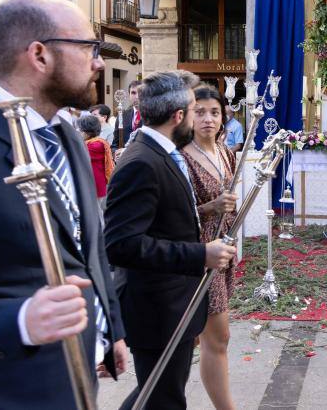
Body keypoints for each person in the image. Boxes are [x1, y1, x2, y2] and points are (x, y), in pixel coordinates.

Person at [0, 0, 127, 408]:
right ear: (39, 54)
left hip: (76, 380)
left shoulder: (67, 133)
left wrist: (110, 330)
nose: (99, 62)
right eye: (89, 47)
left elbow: (88, 247)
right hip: (3, 391)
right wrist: (19, 321)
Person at [105, 71, 236, 410]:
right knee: (164, 399)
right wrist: (199, 254)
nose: (199, 119)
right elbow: (121, 244)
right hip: (155, 305)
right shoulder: (141, 162)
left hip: (173, 301)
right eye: (195, 111)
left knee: (156, 392)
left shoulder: (161, 151)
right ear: (179, 116)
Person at [181, 86, 239, 410]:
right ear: (188, 115)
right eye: (199, 112)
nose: (207, 119)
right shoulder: (182, 155)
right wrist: (211, 206)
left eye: (214, 112)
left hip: (224, 249)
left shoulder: (224, 150)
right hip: (201, 253)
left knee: (207, 336)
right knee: (218, 337)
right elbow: (178, 210)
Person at [78, 114, 115, 209]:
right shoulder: (95, 142)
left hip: (94, 187)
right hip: (94, 185)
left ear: (87, 131)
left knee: (95, 216)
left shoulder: (95, 145)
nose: (78, 131)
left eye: (80, 129)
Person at [119, 79, 142, 145]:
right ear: (129, 95)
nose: (137, 97)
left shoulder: (153, 115)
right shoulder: (122, 116)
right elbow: (115, 143)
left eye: (140, 93)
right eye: (133, 93)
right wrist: (116, 152)